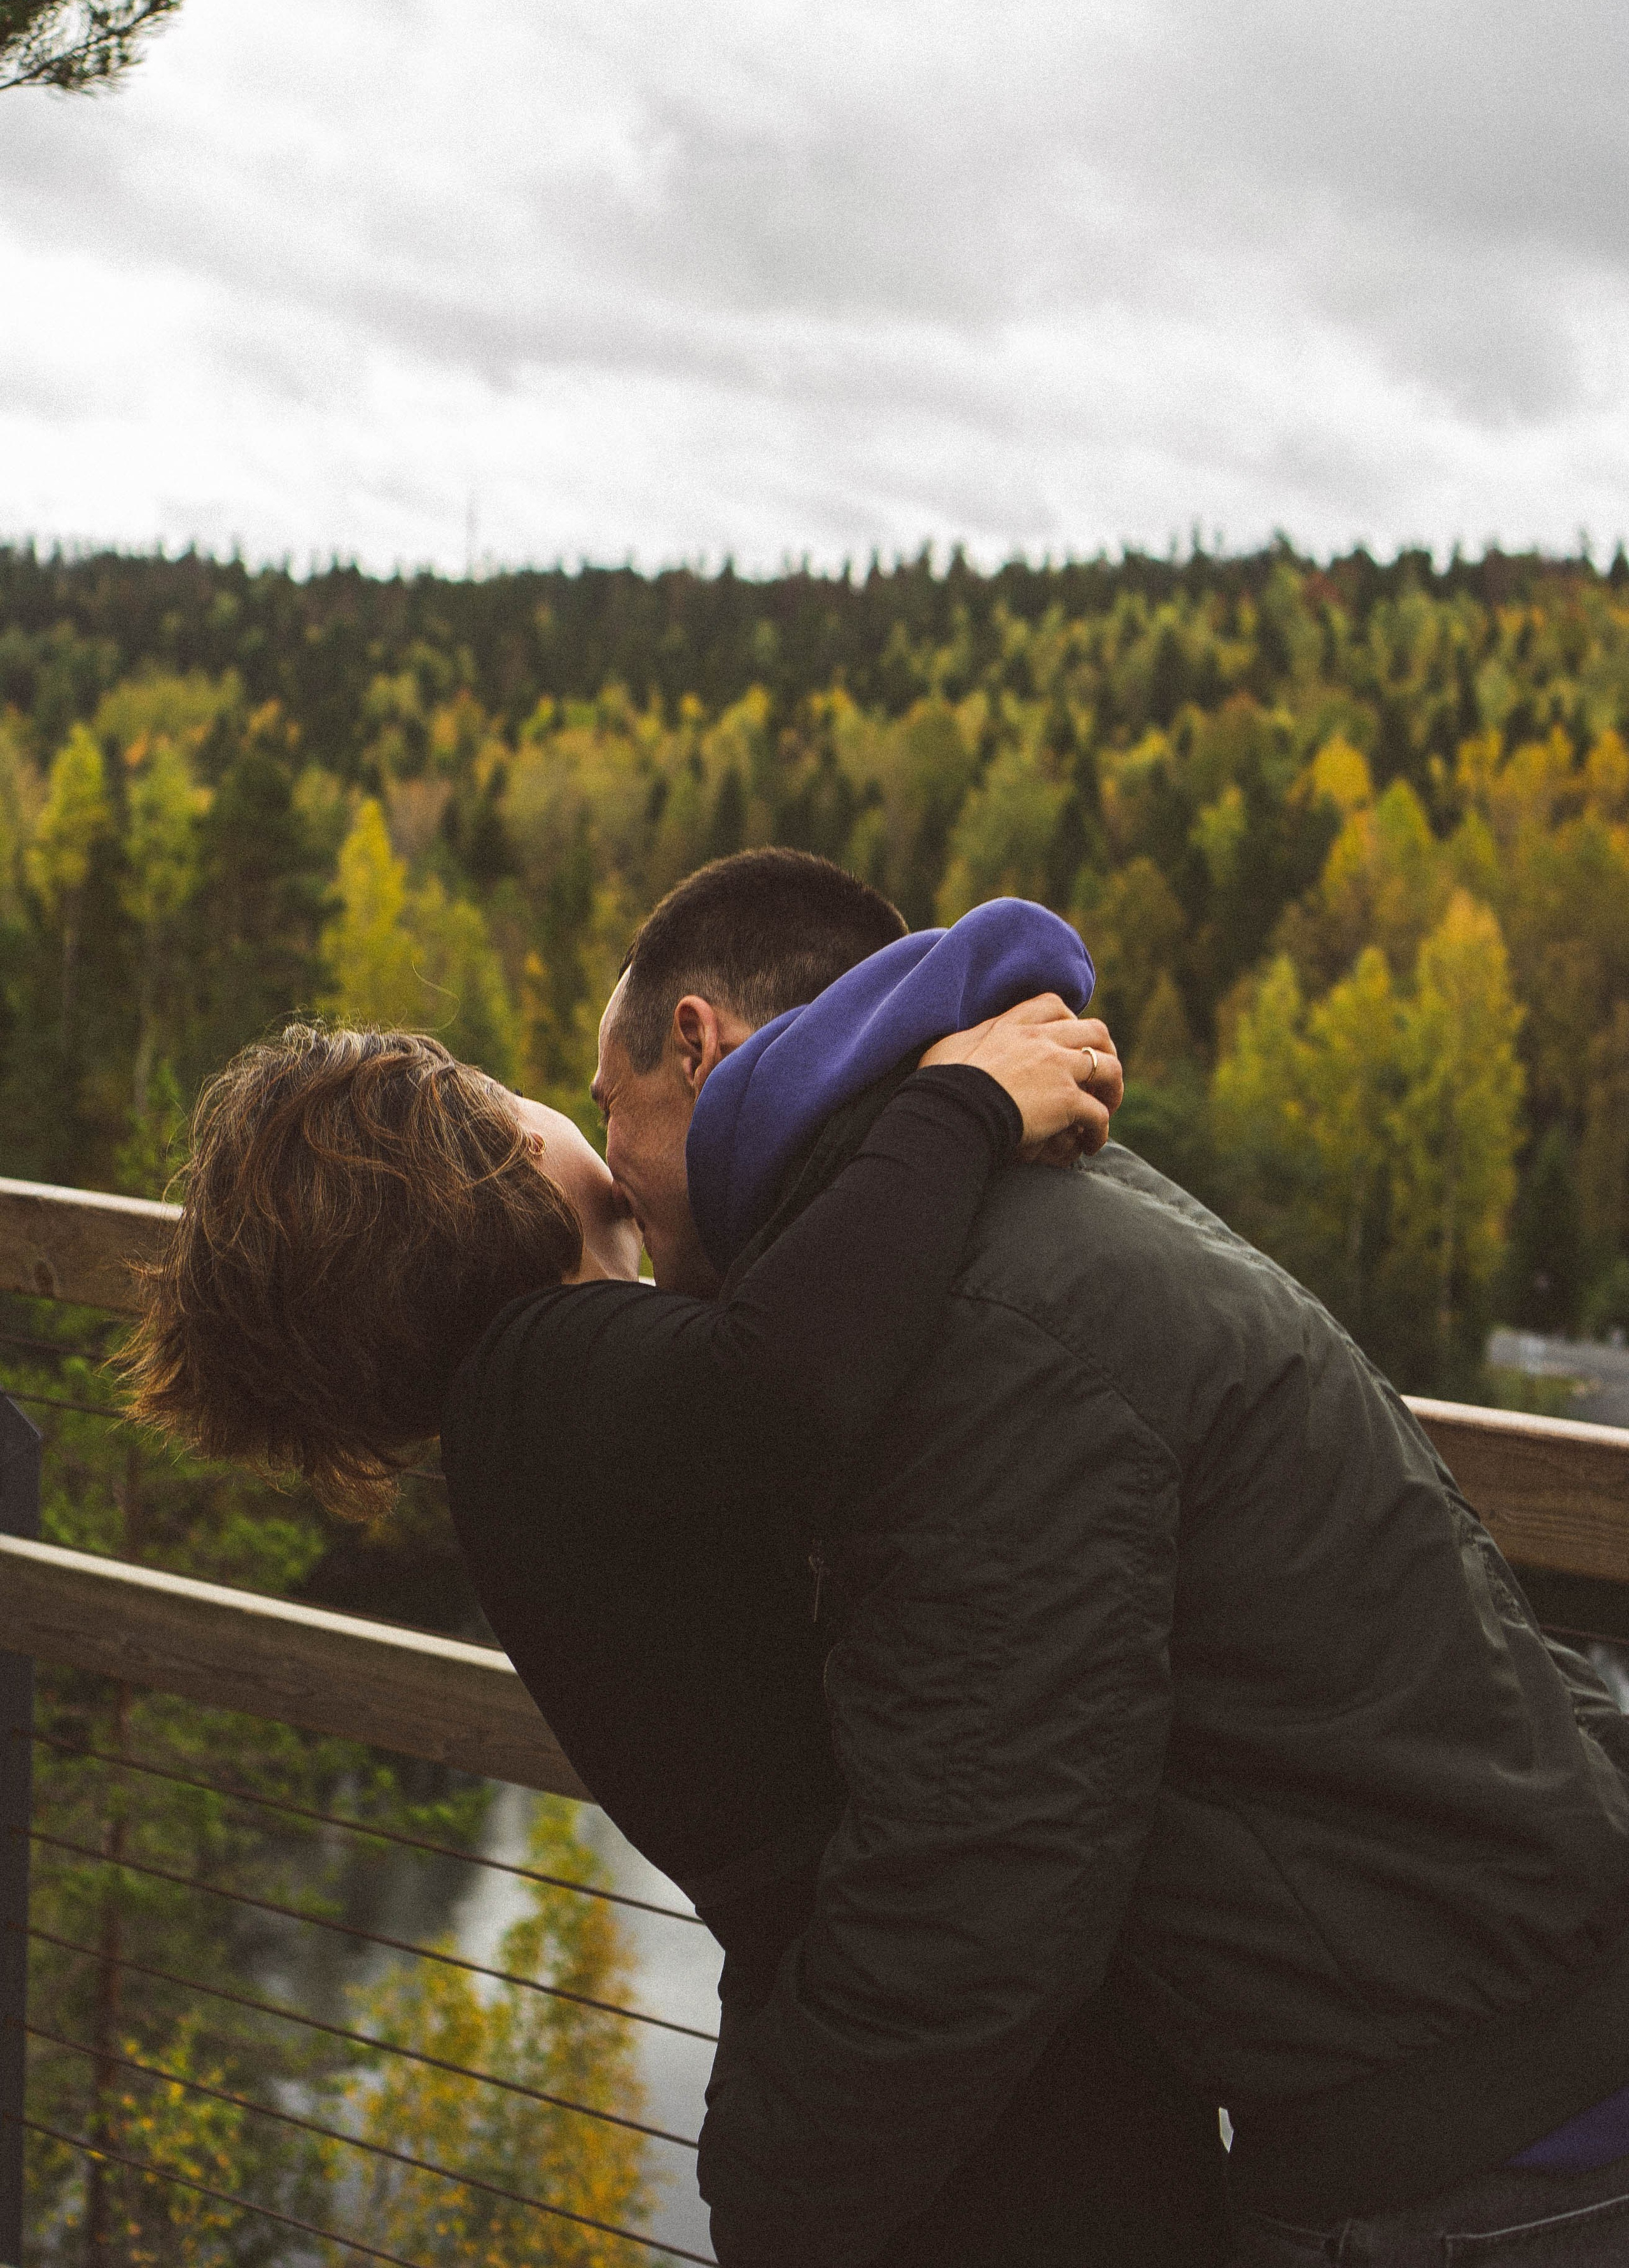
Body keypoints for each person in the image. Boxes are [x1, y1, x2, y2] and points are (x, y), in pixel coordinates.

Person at [120, 896, 1222, 2266]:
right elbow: (783, 1380)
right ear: (484, 1163)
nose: (565, 1108)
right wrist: (955, 1107)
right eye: (521, 1094)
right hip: (937, 2036)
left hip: (864, 1994)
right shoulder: (546, 1377)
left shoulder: (537, 1415)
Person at [580, 849, 1629, 2268]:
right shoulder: (1038, 1208)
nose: (612, 1170)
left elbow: (979, 1867)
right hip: (1466, 2068)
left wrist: (768, 2195)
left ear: (694, 1047)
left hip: (1464, 2160)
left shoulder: (971, 1321)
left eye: (608, 1110)